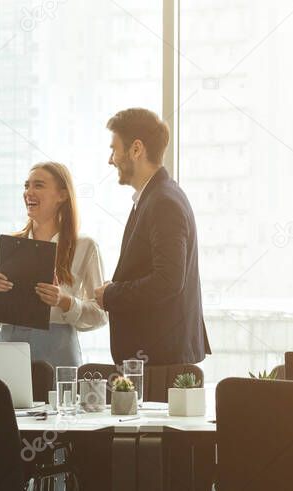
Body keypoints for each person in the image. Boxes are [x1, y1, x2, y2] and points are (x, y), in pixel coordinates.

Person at [94, 108, 211, 365]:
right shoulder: (156, 197)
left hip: (160, 361)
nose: (110, 160)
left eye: (114, 149)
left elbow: (168, 280)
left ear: (136, 149)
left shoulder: (163, 202)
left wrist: (111, 295)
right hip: (157, 357)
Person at [0, 162, 108, 367]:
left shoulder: (86, 247)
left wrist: (65, 301)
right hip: (9, 348)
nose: (28, 192)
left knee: (60, 400)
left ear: (62, 195)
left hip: (59, 350)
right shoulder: (3, 245)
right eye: (26, 186)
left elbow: (100, 315)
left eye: (38, 185)